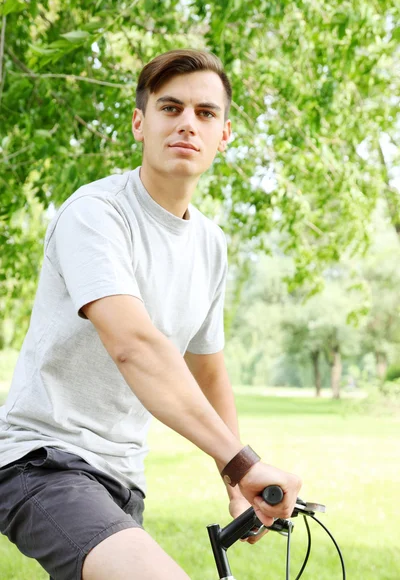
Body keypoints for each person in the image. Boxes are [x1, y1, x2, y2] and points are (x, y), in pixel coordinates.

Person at [0, 49, 301, 580]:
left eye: (205, 113)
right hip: (44, 462)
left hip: (122, 481)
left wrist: (236, 490)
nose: (188, 123)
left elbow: (207, 371)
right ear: (141, 123)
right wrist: (243, 464)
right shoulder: (96, 214)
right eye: (170, 108)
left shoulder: (210, 244)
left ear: (224, 135)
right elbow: (134, 345)